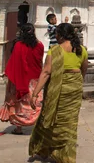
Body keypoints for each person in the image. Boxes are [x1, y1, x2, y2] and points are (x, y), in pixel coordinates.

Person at [29, 23, 88, 163]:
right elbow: (83, 70)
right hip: (75, 89)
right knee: (70, 123)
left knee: (50, 120)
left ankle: (49, 150)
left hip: (59, 92)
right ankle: (65, 155)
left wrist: (35, 93)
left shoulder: (54, 51)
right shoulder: (81, 50)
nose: (55, 36)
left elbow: (46, 73)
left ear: (60, 35)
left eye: (56, 33)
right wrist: (76, 83)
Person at [0, 24, 44, 135]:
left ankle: (19, 128)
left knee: (19, 104)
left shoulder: (18, 45)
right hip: (35, 79)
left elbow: (14, 62)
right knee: (35, 102)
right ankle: (38, 124)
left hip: (18, 78)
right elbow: (40, 61)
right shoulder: (40, 45)